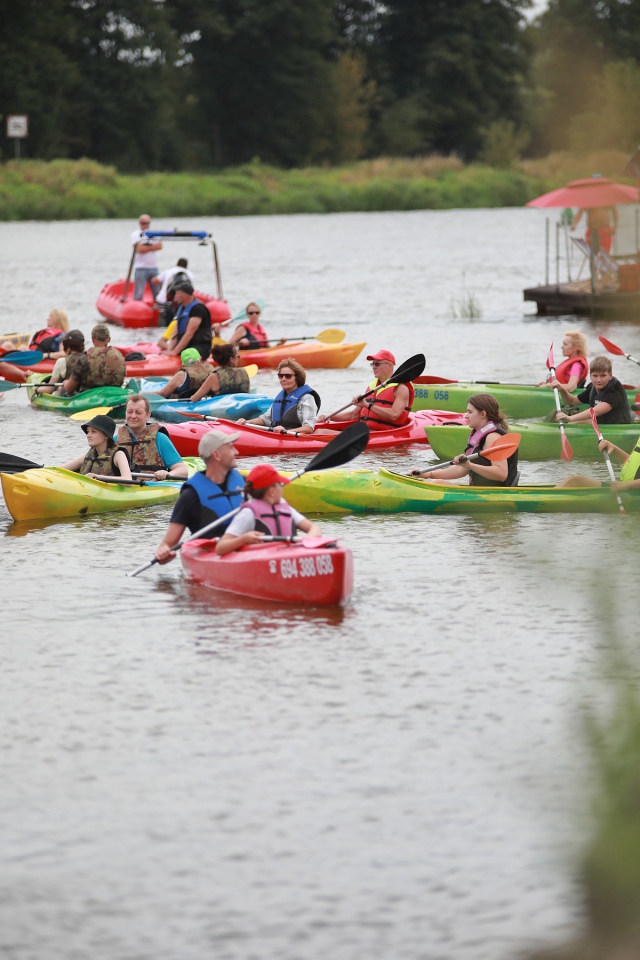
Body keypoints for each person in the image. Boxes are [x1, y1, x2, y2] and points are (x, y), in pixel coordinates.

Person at [155, 429, 244, 564]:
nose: (236, 452)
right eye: (231, 448)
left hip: (246, 548)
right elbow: (167, 546)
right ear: (217, 455)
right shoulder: (190, 496)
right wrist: (164, 554)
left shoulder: (244, 483)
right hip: (214, 557)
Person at [411, 393, 519, 486]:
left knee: (435, 484)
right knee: (433, 481)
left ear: (483, 414)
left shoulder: (492, 437)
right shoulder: (478, 433)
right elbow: (462, 469)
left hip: (493, 495)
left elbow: (501, 474)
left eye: (470, 412)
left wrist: (471, 465)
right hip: (479, 491)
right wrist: (429, 474)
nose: (466, 416)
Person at [216, 463, 322, 555]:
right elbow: (220, 548)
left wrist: (307, 542)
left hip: (289, 558)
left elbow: (315, 528)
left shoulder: (285, 508)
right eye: (279, 485)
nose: (282, 488)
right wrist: (243, 539)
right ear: (272, 492)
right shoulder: (248, 513)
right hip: (262, 562)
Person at [317, 349, 413, 431]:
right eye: (373, 364)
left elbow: (394, 415)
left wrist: (367, 405)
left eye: (377, 364)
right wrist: (328, 417)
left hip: (383, 434)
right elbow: (353, 416)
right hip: (364, 433)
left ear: (389, 365)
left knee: (320, 433)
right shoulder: (373, 387)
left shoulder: (401, 388)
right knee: (318, 430)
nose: (374, 367)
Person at [237, 358, 320, 435]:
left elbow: (309, 428)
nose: (283, 379)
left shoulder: (307, 398)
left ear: (297, 378)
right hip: (278, 434)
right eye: (280, 376)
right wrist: (246, 422)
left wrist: (286, 431)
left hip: (293, 436)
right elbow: (265, 419)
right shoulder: (281, 397)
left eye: (288, 376)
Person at [116, 394, 189, 480]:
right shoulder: (116, 440)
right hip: (123, 487)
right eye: (129, 412)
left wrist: (167, 473)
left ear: (148, 415)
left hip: (152, 486)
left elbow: (182, 470)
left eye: (138, 412)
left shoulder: (160, 438)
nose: (133, 416)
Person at [551, 355, 633, 424]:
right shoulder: (593, 388)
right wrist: (562, 389)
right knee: (566, 417)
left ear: (610, 376)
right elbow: (571, 401)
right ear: (590, 376)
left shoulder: (614, 391)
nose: (598, 380)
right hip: (601, 423)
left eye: (603, 376)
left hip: (617, 428)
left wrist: (570, 418)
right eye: (595, 376)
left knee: (572, 422)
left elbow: (595, 411)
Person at [60, 414, 132, 479]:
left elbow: (128, 479)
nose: (88, 435)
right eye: (88, 431)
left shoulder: (118, 455)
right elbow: (58, 470)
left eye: (93, 431)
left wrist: (98, 477)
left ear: (106, 435)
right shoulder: (87, 456)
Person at [556, 436, 640, 491]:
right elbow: (631, 464)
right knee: (574, 480)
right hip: (624, 489)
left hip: (630, 491)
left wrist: (625, 485)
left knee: (575, 480)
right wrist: (614, 448)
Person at [63, 323, 126, 394]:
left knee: (61, 390)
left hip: (89, 399)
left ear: (92, 339)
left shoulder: (84, 358)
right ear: (109, 339)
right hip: (115, 396)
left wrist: (65, 383)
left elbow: (69, 388)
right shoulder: (119, 356)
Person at [166, 282, 212, 359]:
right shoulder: (181, 308)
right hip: (186, 347)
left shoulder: (198, 309)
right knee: (170, 351)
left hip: (199, 347)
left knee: (188, 353)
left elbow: (189, 334)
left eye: (177, 294)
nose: (175, 296)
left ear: (184, 295)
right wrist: (169, 350)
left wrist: (175, 352)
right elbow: (175, 333)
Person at [34, 329, 85, 396]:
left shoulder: (61, 361)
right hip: (83, 394)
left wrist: (37, 390)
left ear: (68, 346)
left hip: (67, 395)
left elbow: (49, 389)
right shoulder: (88, 359)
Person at [2, 309, 70, 356]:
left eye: (50, 316)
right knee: (10, 345)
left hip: (39, 359)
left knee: (18, 347)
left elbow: (63, 353)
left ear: (56, 319)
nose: (47, 319)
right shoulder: (48, 332)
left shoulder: (62, 335)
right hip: (33, 355)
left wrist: (46, 355)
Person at [154, 258, 195, 325]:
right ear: (186, 266)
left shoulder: (168, 271)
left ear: (177, 264)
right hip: (179, 304)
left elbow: (154, 280)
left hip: (163, 301)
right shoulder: (190, 274)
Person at [131, 214, 163, 300]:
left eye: (147, 223)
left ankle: (159, 308)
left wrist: (147, 247)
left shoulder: (154, 233)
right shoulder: (136, 234)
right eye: (143, 223)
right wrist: (153, 247)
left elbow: (160, 246)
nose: (145, 225)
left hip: (153, 267)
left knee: (157, 291)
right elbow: (139, 249)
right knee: (139, 292)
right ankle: (136, 308)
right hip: (141, 267)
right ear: (139, 223)